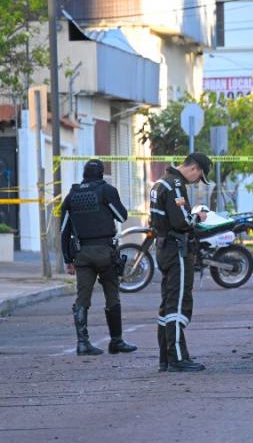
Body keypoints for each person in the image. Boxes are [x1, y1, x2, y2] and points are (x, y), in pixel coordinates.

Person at [61, 159, 137, 356]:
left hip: (82, 254)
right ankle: (116, 341)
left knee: (82, 298)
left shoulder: (72, 195)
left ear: (84, 174)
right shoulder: (106, 190)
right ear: (102, 174)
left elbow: (64, 230)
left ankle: (82, 343)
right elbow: (121, 216)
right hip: (105, 252)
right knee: (112, 294)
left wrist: (67, 259)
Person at [150, 153, 211, 372]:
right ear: (194, 168)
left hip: (164, 247)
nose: (196, 181)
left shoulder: (159, 182)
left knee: (167, 302)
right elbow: (181, 221)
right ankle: (177, 358)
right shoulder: (175, 185)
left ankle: (165, 357)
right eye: (199, 176)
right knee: (177, 304)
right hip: (177, 249)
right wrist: (198, 218)